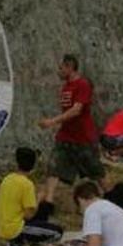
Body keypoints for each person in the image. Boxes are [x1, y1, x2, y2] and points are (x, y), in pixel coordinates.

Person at [38, 55, 104, 205]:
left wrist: (51, 122)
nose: (58, 71)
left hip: (83, 138)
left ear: (69, 67)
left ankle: (113, 197)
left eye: (61, 68)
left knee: (97, 173)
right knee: (53, 167)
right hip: (65, 136)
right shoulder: (65, 87)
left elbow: (76, 110)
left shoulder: (82, 84)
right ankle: (48, 202)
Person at [0, 147, 63, 246]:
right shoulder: (27, 184)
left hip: (4, 226)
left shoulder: (7, 179)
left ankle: (26, 241)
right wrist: (38, 198)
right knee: (57, 232)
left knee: (44, 208)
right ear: (33, 166)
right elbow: (29, 215)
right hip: (16, 229)